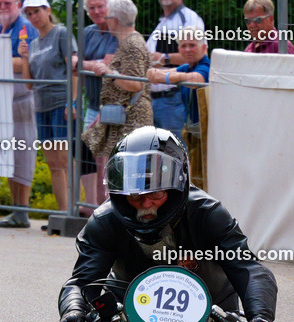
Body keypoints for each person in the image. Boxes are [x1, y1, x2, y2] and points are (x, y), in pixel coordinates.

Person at [54, 127, 280, 322]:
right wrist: (74, 311)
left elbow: (249, 268)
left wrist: (261, 317)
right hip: (128, 312)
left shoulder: (208, 213)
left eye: (156, 194)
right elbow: (81, 282)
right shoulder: (104, 221)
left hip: (211, 313)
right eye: (135, 197)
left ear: (175, 187)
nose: (145, 205)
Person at [81, 0, 150, 204]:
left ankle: (124, 220)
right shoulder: (126, 42)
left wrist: (109, 72)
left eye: (109, 16)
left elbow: (136, 84)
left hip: (131, 118)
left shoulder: (132, 45)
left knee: (126, 173)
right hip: (120, 116)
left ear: (116, 19)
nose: (105, 19)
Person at [19, 0, 76, 214]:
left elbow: (74, 69)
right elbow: (28, 83)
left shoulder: (61, 33)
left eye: (37, 12)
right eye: (30, 13)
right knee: (53, 163)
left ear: (48, 11)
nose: (34, 17)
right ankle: (62, 212)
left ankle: (73, 211)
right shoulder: (33, 44)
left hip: (59, 102)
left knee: (63, 160)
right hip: (41, 106)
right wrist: (24, 58)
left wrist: (72, 102)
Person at [0, 0, 39, 228]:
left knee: (24, 155)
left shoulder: (25, 28)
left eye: (6, 3)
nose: (2, 7)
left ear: (18, 4)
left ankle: (23, 210)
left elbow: (32, 62)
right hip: (4, 103)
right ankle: (16, 210)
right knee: (10, 156)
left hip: (23, 102)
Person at [147, 27, 208, 187]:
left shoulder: (205, 66)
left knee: (202, 176)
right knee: (193, 175)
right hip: (193, 131)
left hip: (207, 134)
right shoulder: (188, 66)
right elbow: (152, 74)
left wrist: (166, 76)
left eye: (192, 45)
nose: (187, 49)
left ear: (204, 47)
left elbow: (197, 79)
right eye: (183, 46)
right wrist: (162, 75)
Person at [78, 0, 118, 214]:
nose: (96, 11)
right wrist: (93, 65)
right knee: (88, 155)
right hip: (91, 104)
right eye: (91, 8)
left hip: (112, 105)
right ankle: (92, 206)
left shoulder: (115, 32)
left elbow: (108, 65)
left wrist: (84, 64)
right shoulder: (87, 32)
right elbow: (73, 64)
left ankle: (107, 209)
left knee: (106, 160)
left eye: (100, 6)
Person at [144, 0, 203, 133]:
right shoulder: (163, 22)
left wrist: (164, 58)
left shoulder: (189, 19)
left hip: (174, 100)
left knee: (174, 150)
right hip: (154, 100)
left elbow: (200, 55)